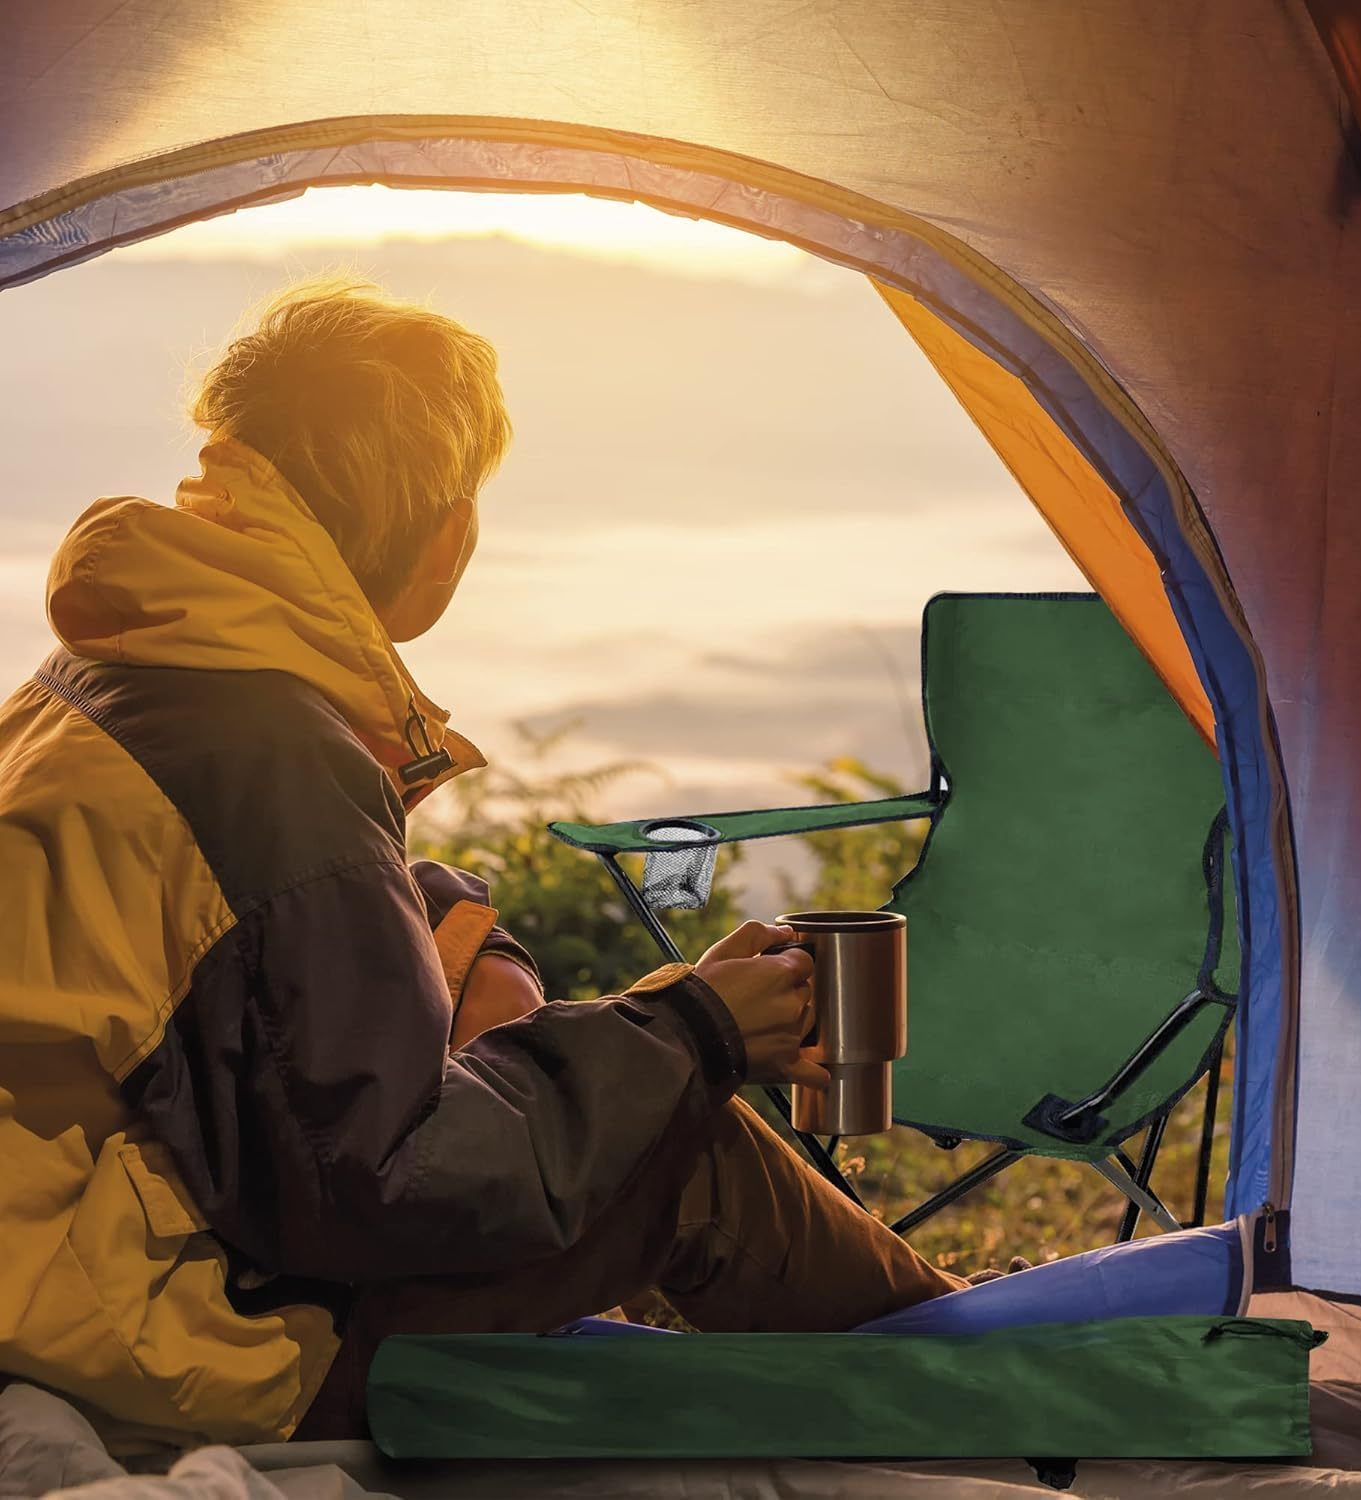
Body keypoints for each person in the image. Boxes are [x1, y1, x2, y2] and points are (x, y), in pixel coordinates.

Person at [0, 279, 965, 1452]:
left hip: (52, 1234)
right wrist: (694, 1030)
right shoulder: (271, 759)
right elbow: (381, 1188)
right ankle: (983, 1393)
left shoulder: (112, 670)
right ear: (445, 534)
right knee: (687, 1152)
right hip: (146, 1332)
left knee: (450, 918)